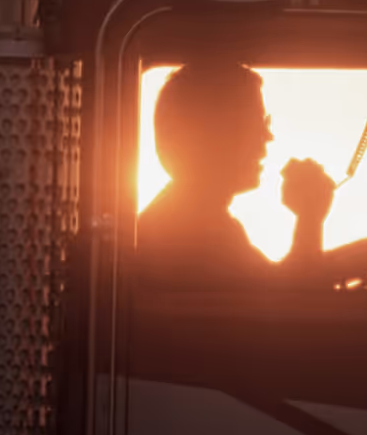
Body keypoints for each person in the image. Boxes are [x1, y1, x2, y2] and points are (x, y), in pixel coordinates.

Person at [135, 61, 336, 281]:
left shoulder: (186, 218)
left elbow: (275, 287)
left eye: (265, 123)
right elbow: (288, 296)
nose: (267, 136)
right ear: (214, 133)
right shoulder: (195, 233)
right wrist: (310, 215)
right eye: (254, 123)